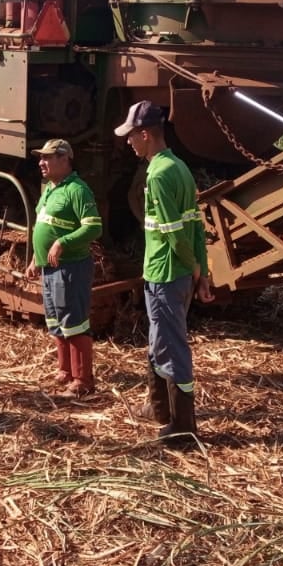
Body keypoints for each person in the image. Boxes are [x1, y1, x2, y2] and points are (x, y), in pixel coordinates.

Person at [115, 101, 212, 440]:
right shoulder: (180, 167)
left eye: (131, 136)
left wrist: (194, 265)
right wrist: (203, 270)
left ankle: (183, 427)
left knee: (171, 346)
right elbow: (196, 225)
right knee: (158, 342)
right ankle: (158, 407)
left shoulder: (157, 173)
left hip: (166, 273)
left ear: (145, 134)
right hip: (172, 272)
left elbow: (173, 232)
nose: (128, 142)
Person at [23, 139, 103, 397]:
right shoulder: (49, 188)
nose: (41, 162)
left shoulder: (78, 190)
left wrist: (62, 242)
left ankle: (83, 380)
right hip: (49, 268)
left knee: (74, 321)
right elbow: (44, 224)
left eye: (47, 158)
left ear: (65, 159)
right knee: (55, 319)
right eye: (41, 158)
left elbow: (93, 227)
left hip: (71, 268)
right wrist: (36, 258)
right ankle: (65, 370)